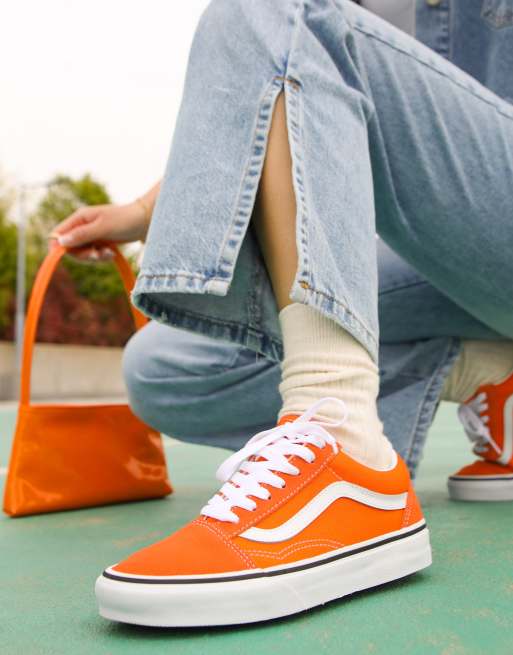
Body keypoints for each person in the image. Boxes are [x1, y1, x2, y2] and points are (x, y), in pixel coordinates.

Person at [52, 0, 513, 627]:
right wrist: (140, 210)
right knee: (162, 366)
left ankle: (341, 434)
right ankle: (486, 371)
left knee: (268, 7)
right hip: (436, 260)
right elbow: (284, 71)